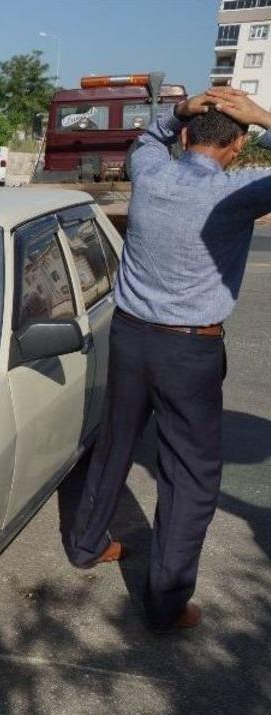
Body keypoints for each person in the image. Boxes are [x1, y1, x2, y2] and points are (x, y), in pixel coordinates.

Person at [64, 86, 271, 632]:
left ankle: (86, 544)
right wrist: (262, 115)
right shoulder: (238, 192)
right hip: (189, 348)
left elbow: (147, 141)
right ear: (238, 146)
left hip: (130, 336)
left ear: (185, 134)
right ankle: (164, 604)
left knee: (115, 442)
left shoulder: (151, 173)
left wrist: (178, 110)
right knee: (189, 475)